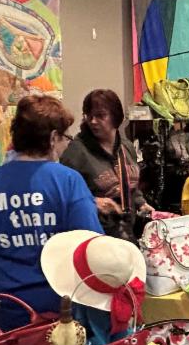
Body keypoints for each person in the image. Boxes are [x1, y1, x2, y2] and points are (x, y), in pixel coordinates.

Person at [0, 96, 103, 333]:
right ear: (52, 138)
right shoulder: (68, 181)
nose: (65, 145)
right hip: (63, 309)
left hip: (9, 307)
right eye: (64, 138)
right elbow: (92, 248)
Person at [59, 89, 153, 242]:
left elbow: (131, 186)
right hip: (95, 236)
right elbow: (64, 196)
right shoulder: (75, 152)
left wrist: (141, 203)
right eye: (89, 116)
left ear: (115, 117)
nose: (93, 121)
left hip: (126, 232)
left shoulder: (126, 147)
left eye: (100, 115)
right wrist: (92, 201)